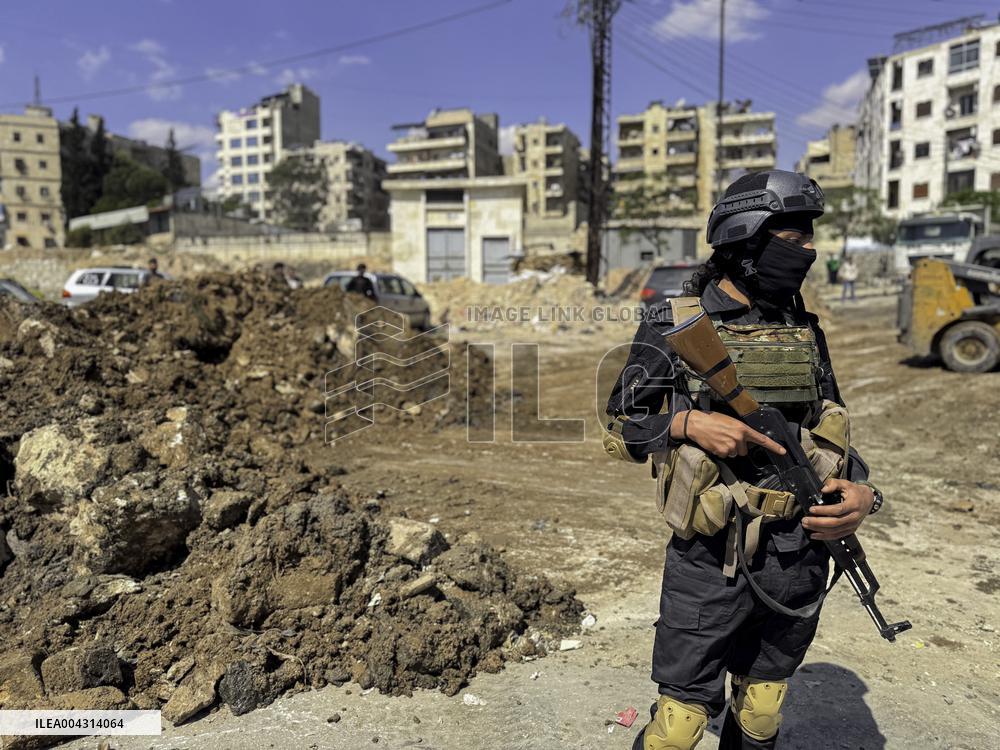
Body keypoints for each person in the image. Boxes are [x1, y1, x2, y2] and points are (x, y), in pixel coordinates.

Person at [602, 170, 883, 750]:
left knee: (761, 710)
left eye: (810, 238)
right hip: (713, 554)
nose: (808, 251)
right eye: (794, 238)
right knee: (679, 727)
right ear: (747, 240)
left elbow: (830, 426)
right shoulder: (677, 323)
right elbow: (620, 424)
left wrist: (863, 493)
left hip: (800, 550)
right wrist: (688, 424)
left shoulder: (802, 328)